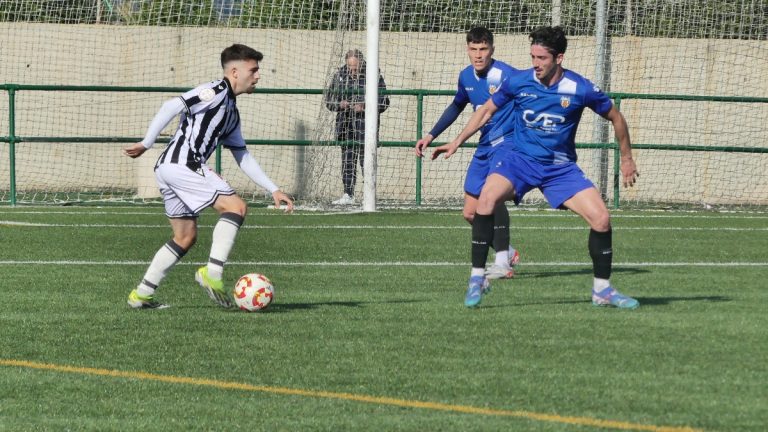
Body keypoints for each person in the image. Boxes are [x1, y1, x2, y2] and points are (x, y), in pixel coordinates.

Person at [433, 26, 640, 309]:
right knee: (486, 199)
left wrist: (626, 157)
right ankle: (477, 278)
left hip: (559, 168)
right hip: (518, 160)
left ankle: (602, 290)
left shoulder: (579, 88)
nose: (535, 64)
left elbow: (616, 116)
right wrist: (457, 140)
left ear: (559, 58)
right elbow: (486, 110)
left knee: (601, 219)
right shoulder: (519, 81)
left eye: (542, 58)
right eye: (533, 57)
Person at [123, 44, 294, 309]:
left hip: (168, 169)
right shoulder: (214, 92)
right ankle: (212, 273)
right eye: (254, 70)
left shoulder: (231, 113)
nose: (258, 76)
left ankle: (141, 295)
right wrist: (147, 142)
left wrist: (273, 189)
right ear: (235, 71)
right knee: (236, 207)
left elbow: (242, 156)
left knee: (185, 237)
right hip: (183, 164)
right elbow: (172, 106)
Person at [415, 26, 520, 279]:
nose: (478, 54)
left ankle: (502, 263)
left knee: (493, 198)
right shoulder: (466, 77)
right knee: (470, 213)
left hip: (509, 144)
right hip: (485, 146)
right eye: (473, 49)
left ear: (492, 49)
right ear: (467, 49)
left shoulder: (507, 75)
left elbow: (530, 96)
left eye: (483, 49)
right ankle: (509, 253)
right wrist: (431, 135)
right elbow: (457, 105)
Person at [325, 49, 389, 205]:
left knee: (366, 160)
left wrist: (365, 106)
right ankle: (348, 194)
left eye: (356, 68)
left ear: (362, 64)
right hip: (345, 125)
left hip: (365, 126)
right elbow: (329, 101)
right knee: (347, 160)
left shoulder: (374, 75)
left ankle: (370, 194)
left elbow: (385, 101)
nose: (352, 72)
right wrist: (341, 105)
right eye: (350, 68)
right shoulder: (339, 76)